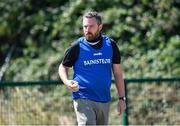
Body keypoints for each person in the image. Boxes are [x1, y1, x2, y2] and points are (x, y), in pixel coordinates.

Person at [58, 11, 126, 125]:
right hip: (83, 96)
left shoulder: (111, 45)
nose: (87, 29)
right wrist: (67, 82)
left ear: (100, 26)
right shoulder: (77, 46)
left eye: (91, 26)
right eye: (85, 26)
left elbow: (118, 73)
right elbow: (62, 67)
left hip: (104, 98)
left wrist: (121, 98)